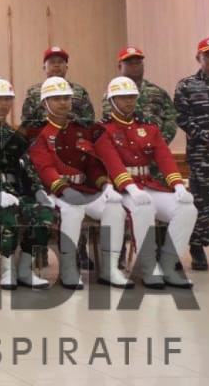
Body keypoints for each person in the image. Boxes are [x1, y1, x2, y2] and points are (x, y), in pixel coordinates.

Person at [27, 76, 133, 289]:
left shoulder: (81, 129)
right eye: (56, 98)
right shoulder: (37, 131)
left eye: (66, 98)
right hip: (54, 190)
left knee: (114, 207)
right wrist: (64, 189)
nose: (63, 102)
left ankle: (110, 269)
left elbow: (92, 164)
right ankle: (68, 269)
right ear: (44, 103)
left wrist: (105, 185)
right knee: (72, 210)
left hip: (84, 188)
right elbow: (44, 167)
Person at [102, 76, 195, 289]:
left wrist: (178, 185)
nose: (128, 101)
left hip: (146, 183)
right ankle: (148, 268)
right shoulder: (103, 129)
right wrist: (131, 188)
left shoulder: (148, 127)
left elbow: (164, 157)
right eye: (123, 97)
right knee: (143, 208)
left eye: (132, 96)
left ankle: (169, 266)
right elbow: (111, 162)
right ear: (112, 100)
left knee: (187, 209)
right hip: (120, 189)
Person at [0, 80, 52, 290]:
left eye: (8, 99)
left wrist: (38, 189)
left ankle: (25, 269)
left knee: (44, 213)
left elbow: (27, 165)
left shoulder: (15, 136)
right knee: (9, 212)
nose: (4, 104)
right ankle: (8, 271)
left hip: (16, 189)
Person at [175, 37, 209, 271]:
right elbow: (181, 117)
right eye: (208, 54)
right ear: (198, 57)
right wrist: (207, 138)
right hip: (200, 154)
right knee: (200, 202)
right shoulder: (186, 85)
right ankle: (197, 247)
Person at [102, 46, 177, 142]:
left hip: (155, 145)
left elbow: (171, 118)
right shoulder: (113, 93)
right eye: (129, 64)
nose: (135, 67)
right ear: (120, 67)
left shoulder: (157, 92)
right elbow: (112, 122)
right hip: (125, 146)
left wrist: (160, 141)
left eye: (138, 63)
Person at [21, 46, 95, 125]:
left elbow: (89, 120)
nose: (56, 65)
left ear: (66, 67)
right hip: (44, 131)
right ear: (44, 67)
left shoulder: (79, 91)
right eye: (52, 62)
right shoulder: (33, 92)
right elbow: (26, 122)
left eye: (60, 62)